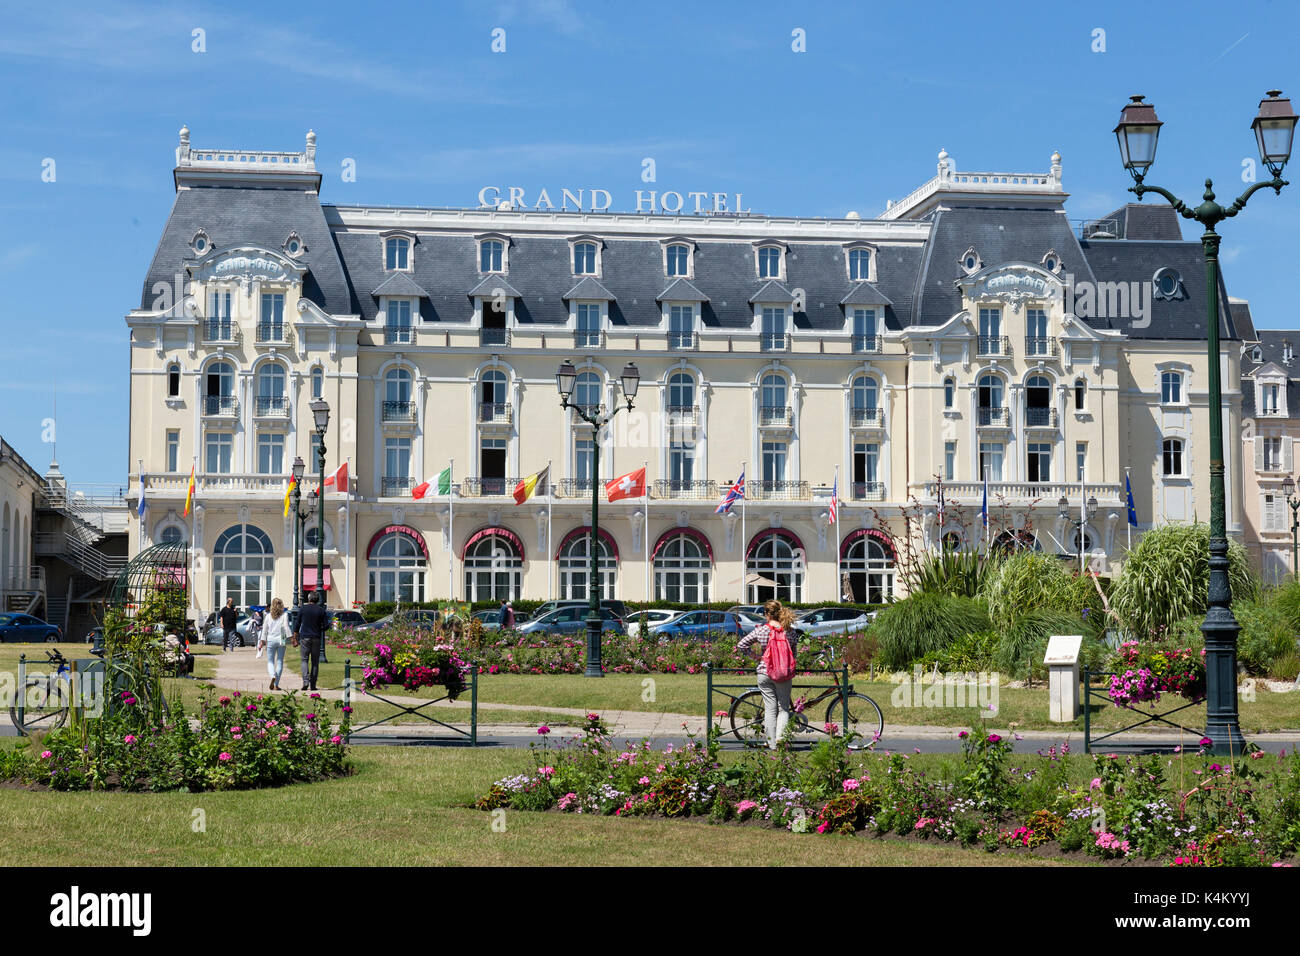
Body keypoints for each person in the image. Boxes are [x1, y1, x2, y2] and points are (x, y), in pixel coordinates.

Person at [735, 599, 798, 750]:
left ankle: (771, 743)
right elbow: (794, 652)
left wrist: (757, 657)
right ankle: (781, 738)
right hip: (783, 673)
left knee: (770, 709)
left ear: (766, 614)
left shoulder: (761, 630)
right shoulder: (790, 631)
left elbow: (741, 645)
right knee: (783, 708)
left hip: (764, 672)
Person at [292, 590, 329, 691]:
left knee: (304, 660)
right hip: (316, 638)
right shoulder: (321, 610)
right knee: (315, 662)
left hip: (305, 637)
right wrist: (319, 629)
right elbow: (326, 626)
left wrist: (295, 637)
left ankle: (305, 681)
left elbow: (297, 624)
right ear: (317, 600)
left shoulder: (303, 609)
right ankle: (313, 685)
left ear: (308, 599)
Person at [261, 597, 291, 691]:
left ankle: (273, 675)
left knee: (270, 661)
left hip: (271, 639)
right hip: (281, 639)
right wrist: (291, 637)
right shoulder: (284, 615)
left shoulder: (268, 616)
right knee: (280, 661)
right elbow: (286, 627)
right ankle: (276, 684)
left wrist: (262, 640)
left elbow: (265, 629)